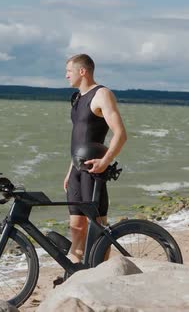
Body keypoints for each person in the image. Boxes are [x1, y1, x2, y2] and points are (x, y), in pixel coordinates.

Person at [63, 53, 127, 264]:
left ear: (83, 71)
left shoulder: (102, 94)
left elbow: (120, 134)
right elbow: (79, 137)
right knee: (76, 226)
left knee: (98, 226)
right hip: (76, 170)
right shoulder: (77, 98)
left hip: (93, 169)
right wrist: (70, 170)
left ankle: (102, 273)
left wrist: (105, 161)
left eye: (69, 71)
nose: (66, 76)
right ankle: (74, 273)